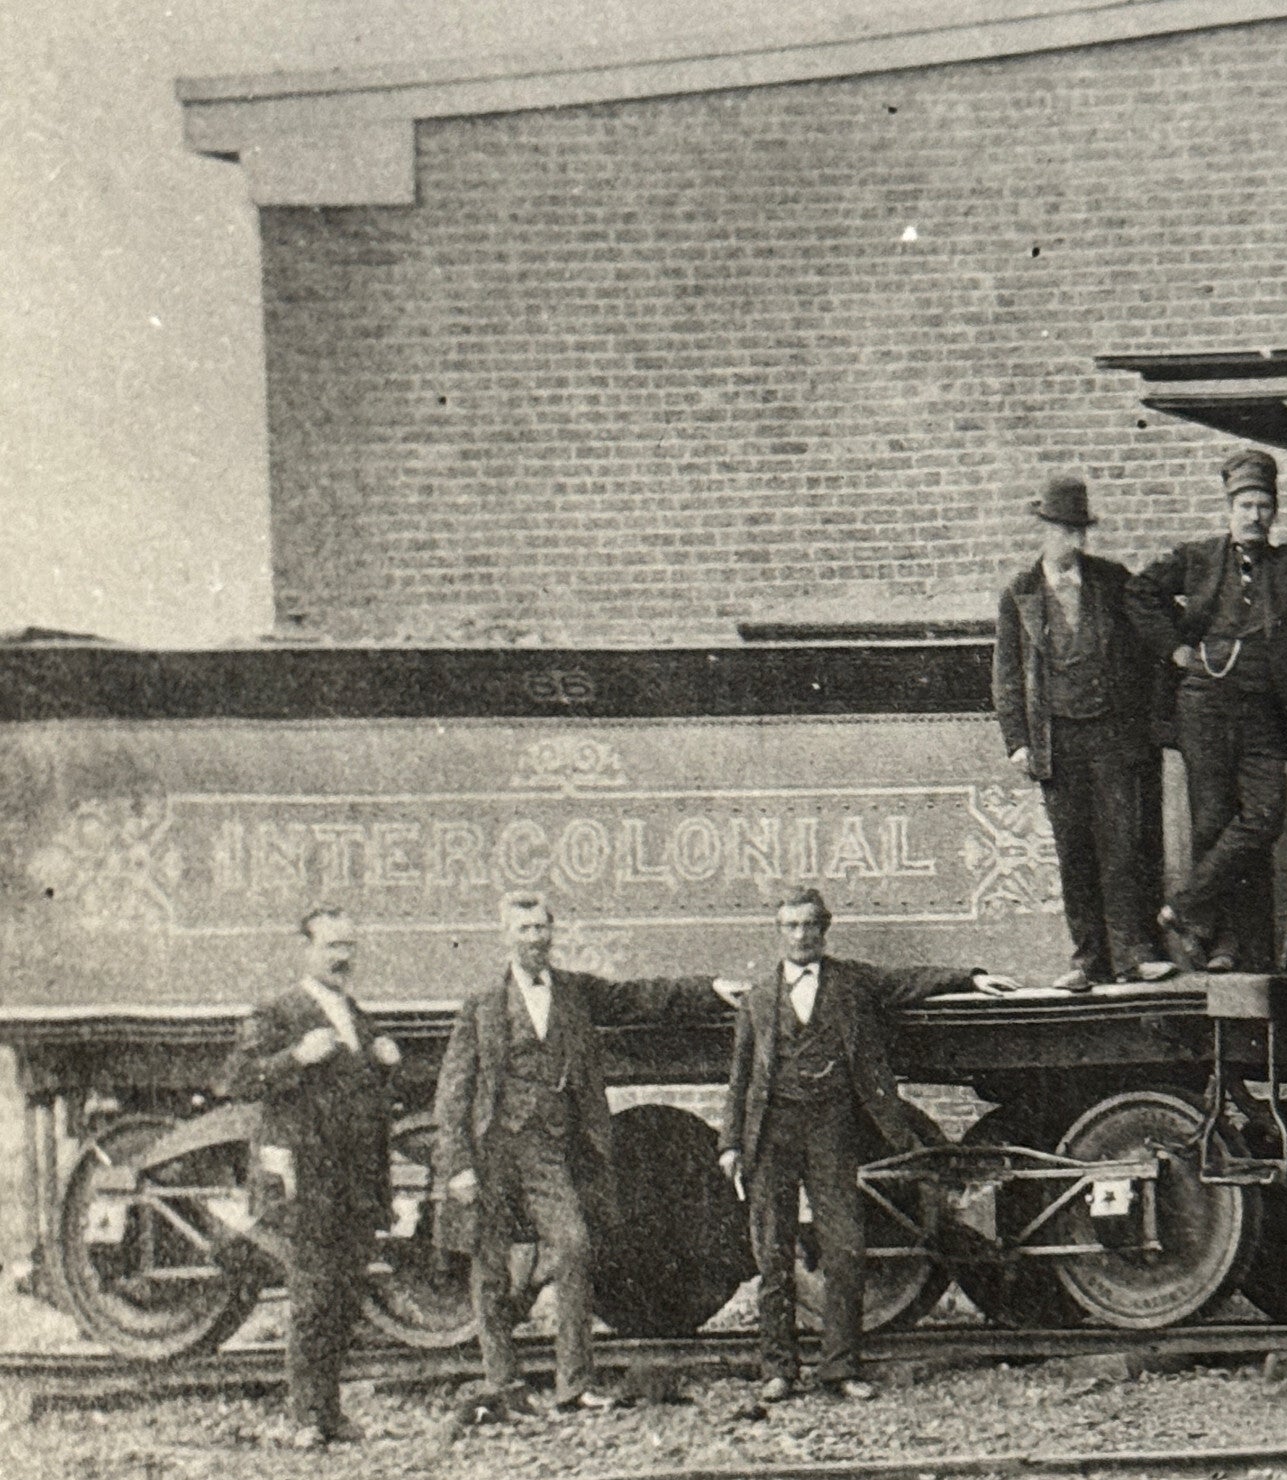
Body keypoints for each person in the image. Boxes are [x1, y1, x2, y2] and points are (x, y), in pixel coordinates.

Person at [433, 890, 737, 1418]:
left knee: (574, 1247)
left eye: (541, 928)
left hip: (548, 1151)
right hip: (494, 1152)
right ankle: (504, 1384)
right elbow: (453, 1092)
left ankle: (574, 1384)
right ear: (506, 936)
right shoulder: (481, 1004)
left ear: (553, 933)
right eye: (524, 930)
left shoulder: (573, 993)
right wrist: (457, 1165)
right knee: (491, 1270)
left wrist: (708, 989)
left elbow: (639, 997)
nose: (535, 939)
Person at [719, 887, 1017, 1402]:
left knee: (846, 1249)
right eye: (790, 926)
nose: (801, 934)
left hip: (832, 1131)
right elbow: (741, 1077)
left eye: (810, 925)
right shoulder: (759, 998)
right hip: (772, 1135)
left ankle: (839, 1367)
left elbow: (908, 982)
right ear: (779, 931)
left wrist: (969, 977)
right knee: (773, 1254)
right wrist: (729, 1143)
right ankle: (778, 1369)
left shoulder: (852, 982)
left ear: (824, 928)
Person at [1125, 424, 1287, 974]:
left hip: (1266, 711)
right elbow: (1139, 592)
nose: (1255, 516)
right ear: (1229, 506)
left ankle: (1186, 906)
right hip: (1204, 706)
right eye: (1246, 504)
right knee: (1214, 823)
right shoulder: (1197, 559)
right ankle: (1226, 946)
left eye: (1265, 506)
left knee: (1264, 819)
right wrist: (1176, 650)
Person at [218, 906, 401, 1449]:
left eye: (348, 946)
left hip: (353, 1181)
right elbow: (236, 1080)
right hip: (306, 1179)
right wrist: (296, 1056)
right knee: (313, 1296)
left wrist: (386, 1061)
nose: (342, 957)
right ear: (307, 951)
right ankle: (304, 1416)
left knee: (345, 1296)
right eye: (330, 946)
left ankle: (330, 1412)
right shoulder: (277, 1013)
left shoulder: (356, 1014)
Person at [993, 473, 1177, 991]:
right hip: (1057, 741)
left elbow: (1150, 645)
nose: (1071, 542)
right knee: (1074, 851)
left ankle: (1132, 955)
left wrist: (1152, 719)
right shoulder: (1020, 593)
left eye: (1078, 532)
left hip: (1113, 735)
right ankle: (1087, 961)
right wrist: (1018, 742)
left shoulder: (1113, 581)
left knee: (1122, 847)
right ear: (1043, 531)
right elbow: (1006, 673)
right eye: (1061, 531)